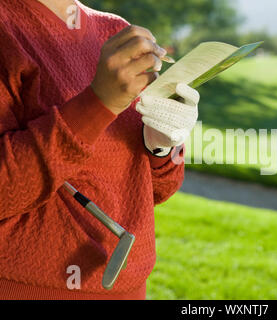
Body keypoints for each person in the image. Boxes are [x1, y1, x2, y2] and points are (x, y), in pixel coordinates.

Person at [0, 0, 199, 299]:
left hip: (130, 289)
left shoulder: (115, 30)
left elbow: (156, 190)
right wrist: (99, 102)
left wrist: (161, 144)